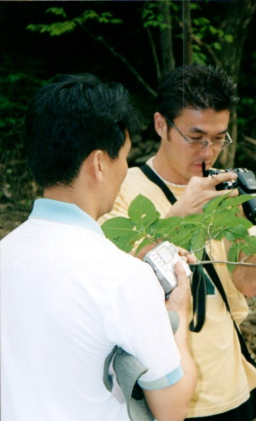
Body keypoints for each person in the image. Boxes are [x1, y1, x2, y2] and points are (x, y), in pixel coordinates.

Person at [0, 74, 197, 420]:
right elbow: (172, 408)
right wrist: (179, 315)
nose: (126, 169)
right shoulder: (122, 278)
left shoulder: (6, 253)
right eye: (124, 157)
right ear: (99, 164)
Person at [100, 65, 256, 420]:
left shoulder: (225, 190)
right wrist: (181, 213)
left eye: (220, 137)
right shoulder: (122, 190)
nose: (209, 150)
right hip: (167, 395)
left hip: (233, 387)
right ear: (161, 125)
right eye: (196, 137)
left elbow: (251, 285)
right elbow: (112, 276)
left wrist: (244, 228)